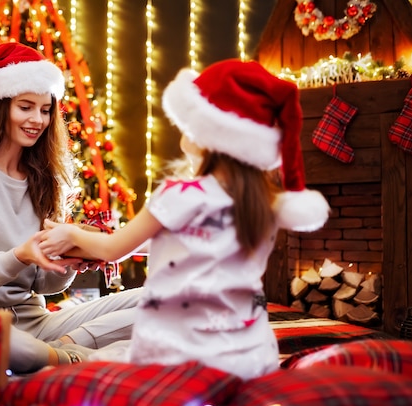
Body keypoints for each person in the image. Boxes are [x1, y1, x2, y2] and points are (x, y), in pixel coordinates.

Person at [37, 59, 330, 381]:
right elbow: (191, 241)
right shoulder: (265, 202)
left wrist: (73, 235)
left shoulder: (180, 194)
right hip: (251, 354)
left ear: (206, 133)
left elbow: (112, 249)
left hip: (183, 353)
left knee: (75, 374)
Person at [0, 42, 142, 374]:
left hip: (38, 325)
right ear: (0, 107)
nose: (37, 120)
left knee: (156, 300)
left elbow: (43, 286)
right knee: (2, 343)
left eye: (45, 110)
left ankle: (60, 353)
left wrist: (68, 261)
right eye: (26, 107)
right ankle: (76, 358)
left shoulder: (44, 179)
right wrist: (21, 255)